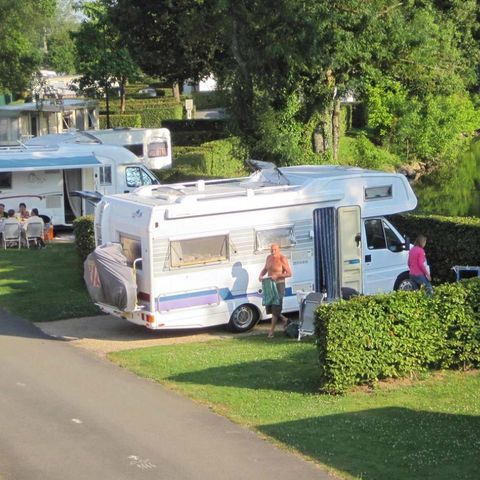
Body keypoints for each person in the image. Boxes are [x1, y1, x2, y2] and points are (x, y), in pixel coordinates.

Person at [259, 243, 292, 338]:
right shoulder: (268, 258)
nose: (273, 251)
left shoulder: (282, 259)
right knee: (269, 307)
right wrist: (261, 275)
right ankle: (285, 319)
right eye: (271, 250)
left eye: (275, 250)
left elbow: (289, 273)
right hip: (269, 284)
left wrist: (277, 275)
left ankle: (271, 331)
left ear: (279, 250)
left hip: (279, 285)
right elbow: (265, 269)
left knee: (275, 307)